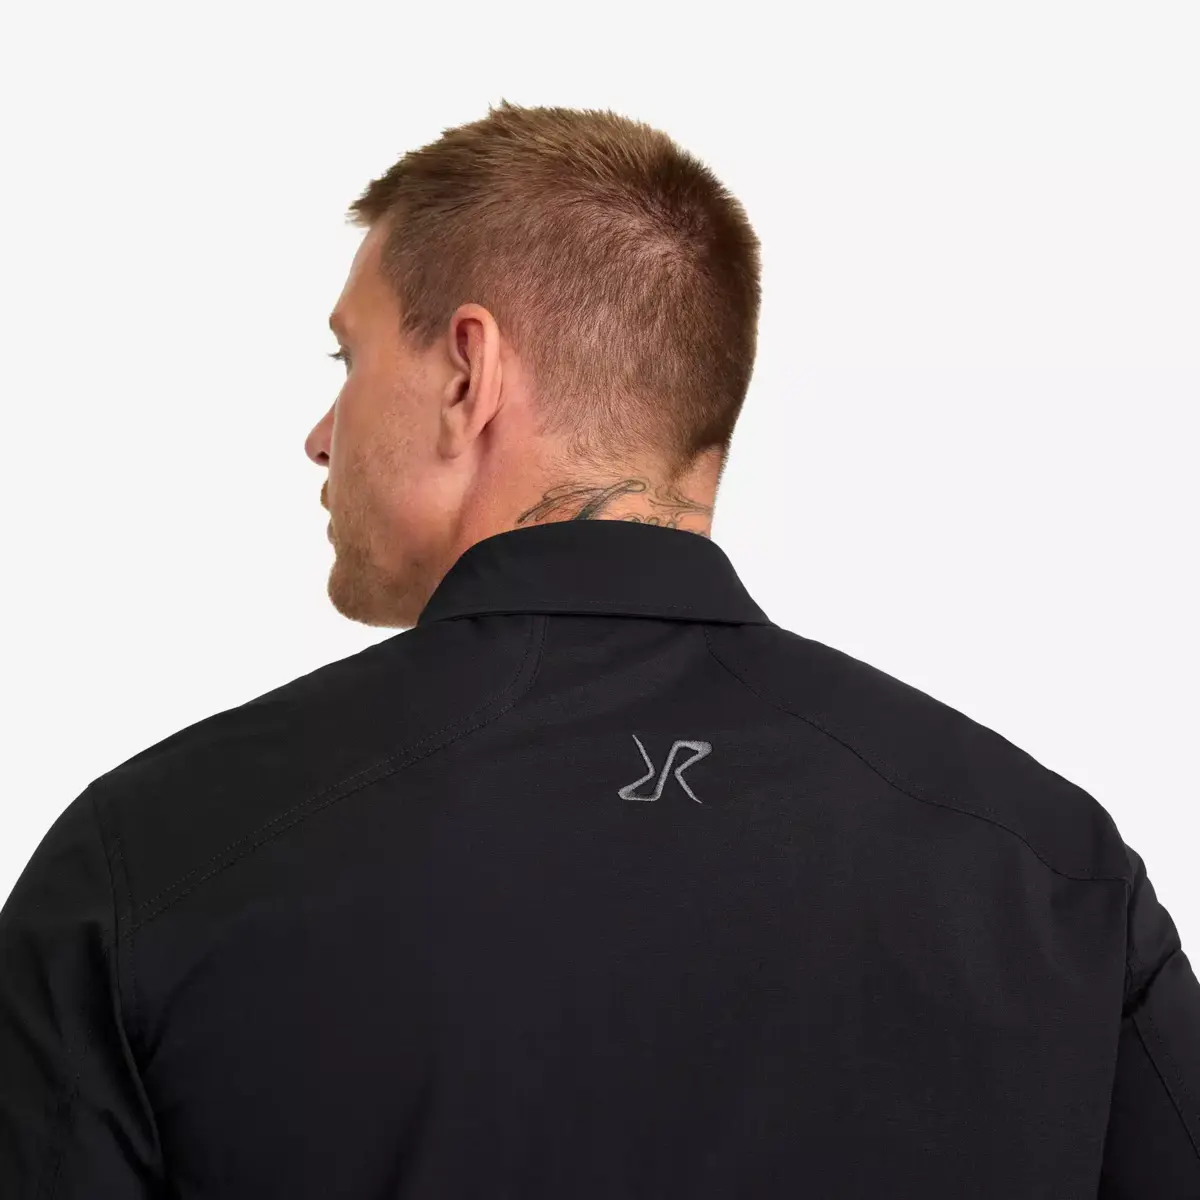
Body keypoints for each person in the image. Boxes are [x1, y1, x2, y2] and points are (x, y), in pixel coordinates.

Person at [1, 100, 1196, 1199]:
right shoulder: (1057, 878)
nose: (321, 435)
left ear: (468, 371)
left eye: (347, 360)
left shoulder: (153, 863)